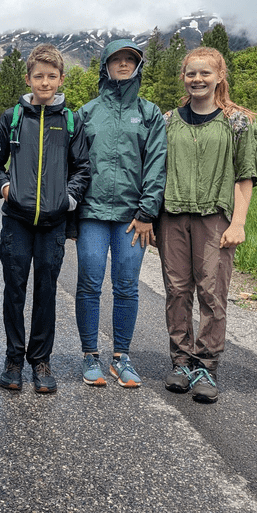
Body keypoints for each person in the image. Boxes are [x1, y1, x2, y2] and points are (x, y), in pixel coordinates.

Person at [0, 44, 90, 394]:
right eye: (38, 76)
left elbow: (83, 168)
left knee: (46, 292)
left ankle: (41, 361)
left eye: (51, 76)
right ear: (28, 78)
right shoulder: (12, 117)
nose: (45, 82)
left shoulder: (71, 120)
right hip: (16, 218)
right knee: (14, 290)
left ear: (61, 79)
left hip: (53, 222)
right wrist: (3, 188)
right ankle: (13, 358)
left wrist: (69, 199)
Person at [157, 47, 257, 403]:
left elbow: (245, 176)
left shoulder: (237, 121)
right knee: (176, 290)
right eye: (191, 74)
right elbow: (158, 171)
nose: (197, 79)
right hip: (172, 216)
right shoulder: (168, 120)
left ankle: (206, 365)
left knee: (212, 293)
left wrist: (239, 223)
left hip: (216, 218)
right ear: (183, 77)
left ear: (219, 77)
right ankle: (181, 361)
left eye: (204, 74)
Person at [74, 40, 166, 388]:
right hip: (92, 213)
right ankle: (90, 356)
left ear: (138, 66)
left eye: (130, 59)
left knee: (127, 285)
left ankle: (121, 358)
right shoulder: (87, 112)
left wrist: (147, 211)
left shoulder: (149, 113)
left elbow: (157, 163)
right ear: (105, 66)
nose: (124, 64)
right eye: (117, 59)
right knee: (89, 282)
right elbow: (75, 165)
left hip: (133, 216)